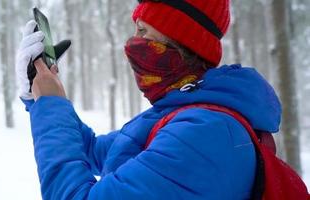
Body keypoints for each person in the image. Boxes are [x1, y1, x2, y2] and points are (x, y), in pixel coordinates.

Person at [15, 0, 281, 199]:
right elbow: (94, 150)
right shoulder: (178, 113)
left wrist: (51, 106)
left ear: (180, 39)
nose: (133, 42)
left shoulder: (204, 133)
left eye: (142, 31)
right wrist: (39, 98)